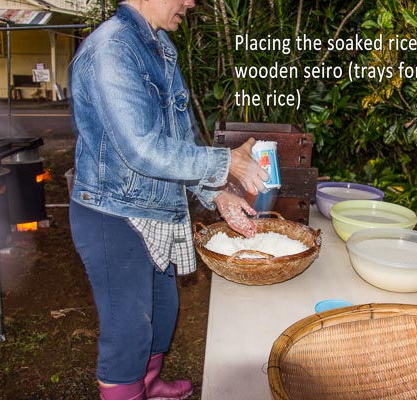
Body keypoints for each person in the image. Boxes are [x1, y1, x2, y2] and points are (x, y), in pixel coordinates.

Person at [67, 0, 269, 399]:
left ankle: (149, 382)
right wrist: (228, 161)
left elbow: (177, 145)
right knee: (128, 329)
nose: (191, 2)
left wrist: (217, 194)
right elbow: (142, 151)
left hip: (155, 209)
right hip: (114, 214)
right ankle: (129, 388)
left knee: (162, 313)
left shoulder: (158, 46)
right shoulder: (113, 49)